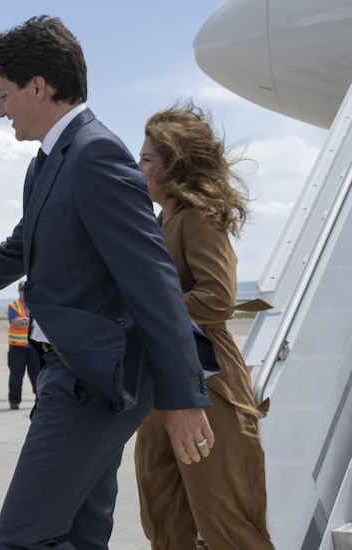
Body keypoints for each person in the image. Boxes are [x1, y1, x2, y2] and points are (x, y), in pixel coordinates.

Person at [0, 16, 215, 549]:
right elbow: (15, 252)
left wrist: (184, 397)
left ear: (38, 86)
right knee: (79, 534)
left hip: (94, 380)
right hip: (67, 370)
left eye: (3, 94)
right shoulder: (50, 163)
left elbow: (154, 280)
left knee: (23, 538)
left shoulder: (95, 154)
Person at [134, 103, 274, 549]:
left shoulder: (198, 217)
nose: (138, 168)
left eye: (147, 159)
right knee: (163, 514)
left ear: (173, 166)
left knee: (225, 519)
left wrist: (147, 320)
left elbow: (216, 297)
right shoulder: (160, 222)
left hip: (208, 382)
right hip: (162, 382)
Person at [6, 280, 39, 410]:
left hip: (33, 346)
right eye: (22, 291)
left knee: (36, 374)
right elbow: (14, 322)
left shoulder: (36, 304)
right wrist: (30, 321)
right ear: (19, 292)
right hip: (17, 347)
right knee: (16, 375)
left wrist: (24, 321)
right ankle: (14, 401)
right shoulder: (13, 305)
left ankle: (40, 399)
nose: (24, 293)